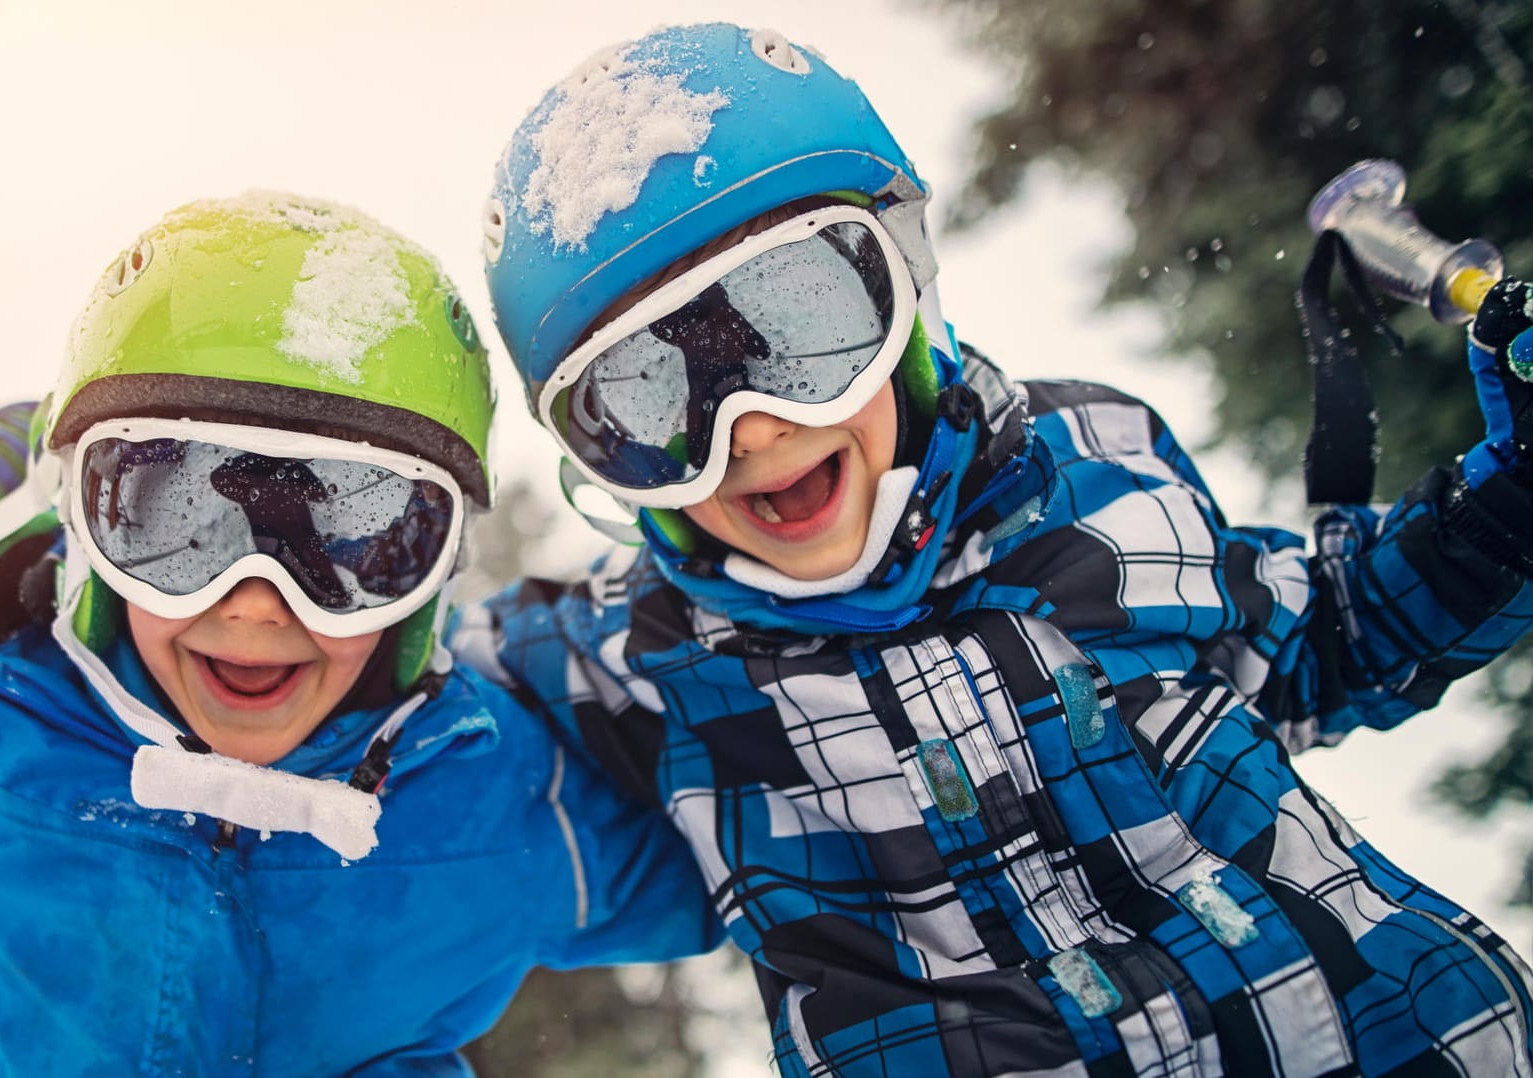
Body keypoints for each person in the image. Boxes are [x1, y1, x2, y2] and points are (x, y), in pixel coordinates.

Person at [456, 22, 1533, 1077]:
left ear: (909, 294)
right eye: (647, 398)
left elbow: (1323, 641)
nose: (749, 427)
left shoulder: (1096, 469)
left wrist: (1506, 510)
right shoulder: (633, 654)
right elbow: (389, 695)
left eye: (799, 320)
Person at [0, 192, 719, 1075]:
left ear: (424, 583)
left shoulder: (502, 803)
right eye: (178, 522)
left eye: (351, 538)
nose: (256, 601)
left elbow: (744, 871)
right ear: (88, 535)